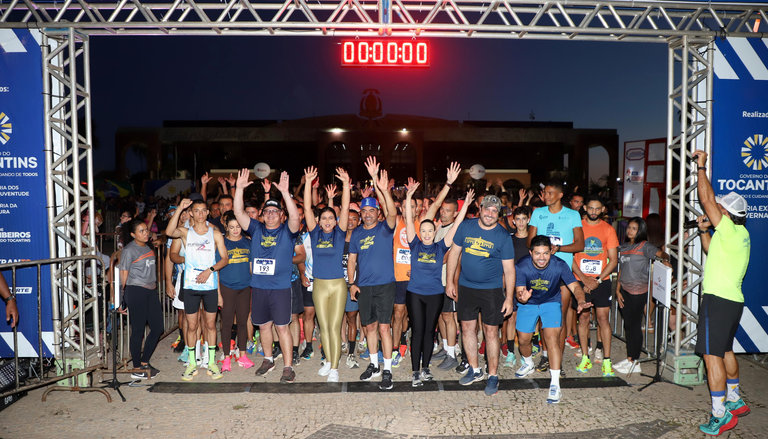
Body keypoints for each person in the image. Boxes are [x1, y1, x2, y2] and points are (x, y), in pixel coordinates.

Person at [693, 150, 751, 436]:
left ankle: (720, 414)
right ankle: (735, 397)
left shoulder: (726, 227)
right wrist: (705, 231)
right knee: (725, 349)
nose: (713, 209)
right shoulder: (739, 235)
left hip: (717, 300)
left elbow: (705, 198)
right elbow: (709, 251)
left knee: (710, 355)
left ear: (726, 213)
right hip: (733, 301)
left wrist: (701, 167)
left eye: (719, 208)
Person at [233, 168, 301, 383]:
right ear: (262, 215)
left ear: (282, 215)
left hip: (280, 287)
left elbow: (296, 217)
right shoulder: (256, 229)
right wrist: (239, 189)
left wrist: (285, 192)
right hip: (259, 286)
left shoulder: (288, 232)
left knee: (282, 327)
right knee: (263, 325)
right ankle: (269, 359)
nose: (271, 214)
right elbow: (238, 213)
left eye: (275, 211)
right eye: (268, 211)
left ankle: (288, 367)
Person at [404, 179, 472, 387]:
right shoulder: (414, 243)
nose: (426, 234)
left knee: (429, 332)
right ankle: (415, 371)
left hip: (435, 294)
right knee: (417, 331)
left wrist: (466, 206)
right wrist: (408, 197)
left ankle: (425, 369)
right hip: (414, 293)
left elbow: (457, 225)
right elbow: (408, 219)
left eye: (429, 231)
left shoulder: (441, 247)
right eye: (423, 231)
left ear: (435, 232)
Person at [446, 194, 515, 396]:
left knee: (491, 332)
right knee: (467, 328)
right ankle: (475, 370)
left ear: (498, 214)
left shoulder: (503, 236)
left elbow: (510, 271)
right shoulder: (466, 227)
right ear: (480, 208)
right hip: (466, 287)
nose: (490, 213)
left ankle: (493, 375)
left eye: (495, 211)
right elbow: (454, 254)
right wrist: (450, 281)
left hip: (491, 290)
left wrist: (509, 297)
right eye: (487, 209)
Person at [514, 235, 592, 403]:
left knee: (552, 340)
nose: (542, 258)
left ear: (551, 252)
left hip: (550, 303)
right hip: (528, 304)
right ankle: (528, 363)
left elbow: (575, 287)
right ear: (530, 253)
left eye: (545, 253)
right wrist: (523, 297)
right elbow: (519, 293)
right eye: (537, 254)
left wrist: (581, 301)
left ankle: (555, 384)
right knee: (523, 341)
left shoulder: (559, 265)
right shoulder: (521, 265)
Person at [347, 156, 398, 390]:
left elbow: (392, 214)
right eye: (364, 211)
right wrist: (351, 283)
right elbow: (352, 259)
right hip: (364, 286)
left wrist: (383, 187)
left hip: (385, 285)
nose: (367, 214)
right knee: (369, 327)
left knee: (384, 327)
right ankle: (374, 364)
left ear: (377, 213)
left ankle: (387, 369)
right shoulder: (356, 233)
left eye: (371, 211)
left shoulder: (385, 229)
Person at [166, 197, 229, 381]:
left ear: (208, 213)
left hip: (209, 285)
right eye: (197, 211)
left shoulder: (215, 234)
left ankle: (211, 362)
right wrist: (179, 208)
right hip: (191, 285)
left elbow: (224, 259)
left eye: (204, 210)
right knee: (192, 326)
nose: (200, 214)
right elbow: (170, 232)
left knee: (210, 325)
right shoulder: (185, 233)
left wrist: (210, 270)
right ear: (192, 213)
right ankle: (192, 363)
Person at [528, 180, 584, 373]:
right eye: (545, 193)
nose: (546, 196)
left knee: (558, 319)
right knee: (543, 318)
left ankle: (557, 362)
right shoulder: (538, 213)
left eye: (551, 193)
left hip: (563, 273)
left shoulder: (572, 215)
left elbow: (580, 245)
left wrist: (558, 248)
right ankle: (546, 355)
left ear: (560, 195)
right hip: (541, 272)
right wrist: (541, 246)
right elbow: (529, 241)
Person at [302, 166, 351, 382]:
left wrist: (346, 184)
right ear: (319, 221)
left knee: (334, 326)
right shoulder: (314, 234)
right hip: (319, 285)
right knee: (323, 327)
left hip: (338, 285)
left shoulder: (340, 234)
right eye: (325, 218)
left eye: (331, 217)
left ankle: (335, 368)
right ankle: (329, 362)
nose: (328, 221)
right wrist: (308, 184)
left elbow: (347, 207)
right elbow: (306, 208)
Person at [571, 195, 618, 377]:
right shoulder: (577, 227)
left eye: (597, 209)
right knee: (582, 318)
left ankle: (607, 360)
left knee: (603, 319)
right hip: (580, 280)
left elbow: (613, 260)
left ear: (603, 210)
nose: (593, 212)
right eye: (590, 208)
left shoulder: (608, 229)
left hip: (602, 281)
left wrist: (597, 280)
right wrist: (584, 280)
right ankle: (585, 357)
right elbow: (571, 257)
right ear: (585, 208)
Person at [614, 217, 667, 375]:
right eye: (629, 227)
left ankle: (634, 361)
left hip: (638, 292)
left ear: (641, 231)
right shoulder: (623, 247)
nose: (630, 230)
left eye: (634, 228)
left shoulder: (645, 246)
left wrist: (666, 260)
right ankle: (630, 357)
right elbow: (621, 270)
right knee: (628, 325)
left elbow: (662, 254)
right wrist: (617, 290)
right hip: (623, 291)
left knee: (635, 326)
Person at [118, 219, 164, 379]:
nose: (146, 233)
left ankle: (144, 362)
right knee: (138, 330)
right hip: (135, 290)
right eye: (141, 231)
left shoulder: (148, 246)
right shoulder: (129, 250)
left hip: (150, 291)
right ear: (132, 234)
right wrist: (122, 298)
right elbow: (123, 273)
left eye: (146, 230)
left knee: (158, 327)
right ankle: (136, 367)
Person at [219, 211, 254, 371]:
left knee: (242, 322)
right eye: (232, 227)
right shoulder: (222, 243)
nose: (235, 230)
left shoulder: (248, 243)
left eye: (238, 226)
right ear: (226, 227)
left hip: (245, 287)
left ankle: (242, 354)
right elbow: (217, 270)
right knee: (226, 323)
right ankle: (226, 357)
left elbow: (251, 267)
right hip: (227, 287)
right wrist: (218, 293)